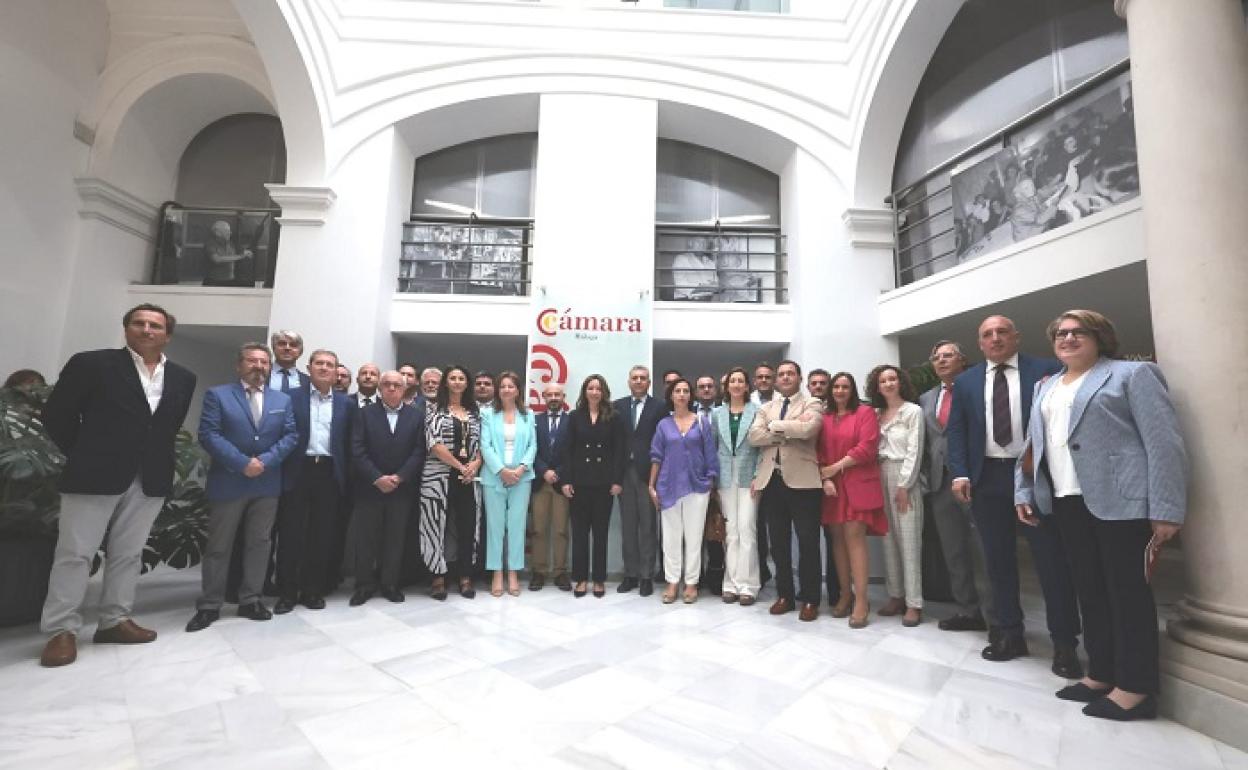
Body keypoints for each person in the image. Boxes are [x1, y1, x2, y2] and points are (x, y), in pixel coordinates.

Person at [1016, 310, 1186, 721]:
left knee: (1126, 593)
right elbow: (1031, 446)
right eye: (1061, 332)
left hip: (1121, 502)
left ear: (1100, 337)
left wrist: (1166, 508)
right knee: (1089, 589)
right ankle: (1102, 672)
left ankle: (1136, 688)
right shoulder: (1047, 385)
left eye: (1078, 332)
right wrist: (1023, 490)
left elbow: (1163, 443)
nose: (1068, 338)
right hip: (1065, 501)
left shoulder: (1132, 375)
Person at [38, 304, 197, 667]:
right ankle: (61, 630)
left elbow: (166, 428)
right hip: (94, 473)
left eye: (155, 325)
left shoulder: (183, 378)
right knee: (76, 553)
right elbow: (57, 414)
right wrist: (84, 452)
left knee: (129, 553)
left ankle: (114, 620)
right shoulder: (93, 364)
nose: (146, 329)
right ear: (126, 329)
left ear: (167, 335)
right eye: (139, 323)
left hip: (150, 476)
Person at [947, 315, 1082, 677]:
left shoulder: (1048, 369)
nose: (995, 339)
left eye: (1002, 332)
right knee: (997, 561)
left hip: (1034, 474)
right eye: (987, 334)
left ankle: (1065, 643)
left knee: (1051, 560)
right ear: (980, 344)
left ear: (1016, 337)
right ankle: (1009, 633)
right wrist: (960, 472)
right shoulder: (967, 381)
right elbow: (957, 432)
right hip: (987, 478)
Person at [186, 343, 298, 632]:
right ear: (240, 365)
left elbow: (289, 436)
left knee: (259, 545)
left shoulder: (281, 400)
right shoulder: (219, 395)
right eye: (252, 361)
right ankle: (210, 604)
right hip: (229, 482)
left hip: (267, 482)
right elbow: (209, 434)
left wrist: (264, 461)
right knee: (219, 547)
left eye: (264, 362)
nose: (258, 366)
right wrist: (241, 463)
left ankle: (251, 599)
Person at [919, 341, 992, 632]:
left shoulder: (980, 388)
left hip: (976, 480)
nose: (941, 361)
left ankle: (997, 615)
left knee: (986, 551)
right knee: (954, 551)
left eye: (947, 355)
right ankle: (968, 611)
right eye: (936, 357)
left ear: (962, 360)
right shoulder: (926, 398)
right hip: (940, 484)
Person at [275, 349, 351, 614]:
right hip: (298, 470)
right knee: (291, 534)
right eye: (319, 363)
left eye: (330, 364)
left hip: (329, 473)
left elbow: (348, 444)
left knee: (321, 536)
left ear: (336, 371)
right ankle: (286, 592)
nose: (324, 368)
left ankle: (312, 591)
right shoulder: (290, 398)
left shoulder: (345, 403)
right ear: (309, 368)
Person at [749, 359, 824, 622]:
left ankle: (811, 599)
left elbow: (809, 429)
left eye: (790, 373)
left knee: (808, 543)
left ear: (799, 377)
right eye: (781, 374)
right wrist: (787, 429)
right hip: (772, 482)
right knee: (778, 544)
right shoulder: (767, 407)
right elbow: (754, 437)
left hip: (804, 482)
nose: (785, 377)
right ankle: (785, 596)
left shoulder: (812, 403)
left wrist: (775, 427)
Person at [349, 371, 427, 606]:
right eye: (387, 385)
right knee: (365, 539)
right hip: (369, 487)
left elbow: (419, 450)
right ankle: (364, 584)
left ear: (405, 389)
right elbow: (357, 449)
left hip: (401, 488)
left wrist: (400, 477)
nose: (392, 389)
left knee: (395, 538)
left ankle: (390, 583)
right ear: (380, 388)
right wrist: (377, 477)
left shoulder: (416, 416)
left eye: (397, 385)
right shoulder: (364, 414)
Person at [817, 372, 885, 629]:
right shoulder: (824, 417)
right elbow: (819, 451)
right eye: (836, 386)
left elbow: (867, 447)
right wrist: (826, 477)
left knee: (854, 539)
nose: (840, 391)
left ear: (852, 390)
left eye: (845, 386)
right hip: (832, 487)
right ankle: (846, 593)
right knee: (836, 540)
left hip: (857, 482)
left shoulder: (865, 413)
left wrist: (836, 467)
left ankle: (862, 600)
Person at [648, 378, 719, 604]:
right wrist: (651, 485)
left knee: (694, 537)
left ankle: (691, 583)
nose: (681, 394)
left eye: (685, 391)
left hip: (697, 486)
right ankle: (672, 582)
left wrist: (711, 481)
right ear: (671, 395)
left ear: (691, 396)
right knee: (670, 538)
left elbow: (710, 453)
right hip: (668, 486)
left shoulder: (701, 422)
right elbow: (656, 456)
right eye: (677, 391)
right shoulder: (663, 425)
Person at [867, 365, 926, 627]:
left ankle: (914, 603)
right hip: (879, 475)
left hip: (905, 478)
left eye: (893, 379)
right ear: (877, 387)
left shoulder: (913, 411)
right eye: (883, 381)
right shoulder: (876, 414)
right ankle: (896, 595)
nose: (889, 384)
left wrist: (905, 485)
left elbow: (915, 450)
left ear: (900, 382)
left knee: (909, 542)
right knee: (888, 539)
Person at [557, 374, 626, 598]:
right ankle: (580, 579)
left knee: (600, 533)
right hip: (579, 482)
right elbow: (566, 451)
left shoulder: (614, 417)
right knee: (579, 533)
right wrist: (565, 480)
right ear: (584, 392)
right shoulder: (574, 417)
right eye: (590, 388)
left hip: (604, 484)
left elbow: (619, 451)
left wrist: (617, 480)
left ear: (604, 392)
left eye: (598, 388)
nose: (594, 392)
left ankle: (598, 579)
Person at [419, 364, 483, 600]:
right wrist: (460, 466)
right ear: (446, 382)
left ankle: (465, 576)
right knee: (436, 526)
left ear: (467, 383)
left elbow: (482, 446)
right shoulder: (434, 411)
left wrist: (474, 465)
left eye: (461, 378)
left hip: (469, 479)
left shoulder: (475, 413)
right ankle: (437, 578)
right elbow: (434, 445)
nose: (457, 382)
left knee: (467, 526)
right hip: (438, 477)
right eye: (453, 378)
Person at [481, 371, 537, 597]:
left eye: (510, 386)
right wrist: (502, 470)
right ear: (498, 390)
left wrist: (521, 467)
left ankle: (513, 572)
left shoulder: (528, 415)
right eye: (502, 386)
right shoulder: (487, 414)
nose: (506, 389)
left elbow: (533, 445)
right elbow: (485, 446)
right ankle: (496, 572)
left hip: (522, 477)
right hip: (494, 476)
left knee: (516, 526)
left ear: (518, 390)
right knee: (495, 527)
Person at [710, 367, 761, 605]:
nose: (737, 384)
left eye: (741, 381)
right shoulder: (716, 414)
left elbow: (762, 448)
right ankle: (730, 583)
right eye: (733, 381)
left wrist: (758, 476)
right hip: (724, 478)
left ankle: (748, 586)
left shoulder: (757, 412)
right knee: (730, 534)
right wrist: (711, 478)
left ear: (747, 386)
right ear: (727, 386)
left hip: (749, 478)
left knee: (747, 530)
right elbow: (712, 448)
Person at [613, 365, 666, 596]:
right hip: (624, 473)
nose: (638, 381)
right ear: (628, 381)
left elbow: (663, 441)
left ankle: (646, 576)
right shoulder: (618, 406)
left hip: (648, 474)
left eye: (642, 378)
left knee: (648, 526)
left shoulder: (660, 407)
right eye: (634, 378)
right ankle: (630, 574)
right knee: (628, 526)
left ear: (649, 382)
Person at [528, 383, 571, 591]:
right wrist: (544, 470)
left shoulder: (572, 422)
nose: (554, 397)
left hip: (562, 485)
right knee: (538, 530)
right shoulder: (534, 421)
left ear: (564, 397)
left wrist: (559, 473)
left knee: (562, 530)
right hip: (539, 482)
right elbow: (530, 449)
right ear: (543, 397)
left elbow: (575, 451)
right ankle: (539, 571)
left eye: (557, 394)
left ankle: (561, 572)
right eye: (550, 394)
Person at [805, 366, 841, 607]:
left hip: (832, 484)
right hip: (806, 483)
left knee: (834, 539)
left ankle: (837, 592)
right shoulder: (802, 411)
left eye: (822, 383)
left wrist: (827, 475)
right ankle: (810, 591)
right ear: (807, 387)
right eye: (814, 383)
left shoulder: (834, 414)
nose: (818, 387)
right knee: (808, 540)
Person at [693, 374, 724, 595]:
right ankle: (696, 576)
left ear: (715, 390)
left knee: (716, 529)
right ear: (696, 391)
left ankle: (715, 575)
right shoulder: (686, 413)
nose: (705, 390)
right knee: (694, 530)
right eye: (701, 387)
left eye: (709, 386)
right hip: (692, 479)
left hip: (721, 478)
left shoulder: (723, 412)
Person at [202, 220, 253, 287]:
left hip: (230, 282)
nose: (230, 233)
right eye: (227, 230)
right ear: (218, 233)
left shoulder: (231, 244)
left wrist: (247, 253)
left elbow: (245, 252)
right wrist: (241, 256)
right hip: (213, 283)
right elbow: (217, 259)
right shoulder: (210, 244)